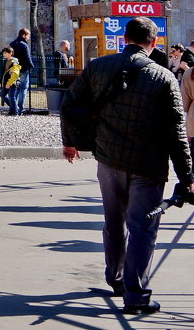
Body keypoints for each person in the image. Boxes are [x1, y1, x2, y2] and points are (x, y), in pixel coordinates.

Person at [60, 17, 192, 315]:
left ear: (124, 39)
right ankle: (135, 295)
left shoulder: (97, 67)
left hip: (108, 159)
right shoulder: (163, 78)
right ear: (154, 43)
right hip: (147, 165)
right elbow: (176, 133)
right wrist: (187, 176)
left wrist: (70, 142)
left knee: (113, 222)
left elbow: (69, 104)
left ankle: (116, 278)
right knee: (142, 229)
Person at [7, 28, 34, 115]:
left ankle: (14, 108)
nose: (29, 37)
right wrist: (31, 66)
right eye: (28, 35)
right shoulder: (24, 45)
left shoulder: (12, 44)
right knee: (23, 89)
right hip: (23, 69)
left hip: (14, 69)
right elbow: (27, 58)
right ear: (24, 35)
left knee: (15, 90)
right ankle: (20, 108)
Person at [0, 46, 20, 112]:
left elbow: (15, 74)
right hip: (6, 82)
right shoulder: (6, 61)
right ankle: (14, 108)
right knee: (2, 95)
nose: (4, 54)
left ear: (10, 53)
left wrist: (9, 83)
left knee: (11, 98)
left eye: (6, 53)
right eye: (3, 53)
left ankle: (15, 112)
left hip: (12, 83)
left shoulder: (14, 62)